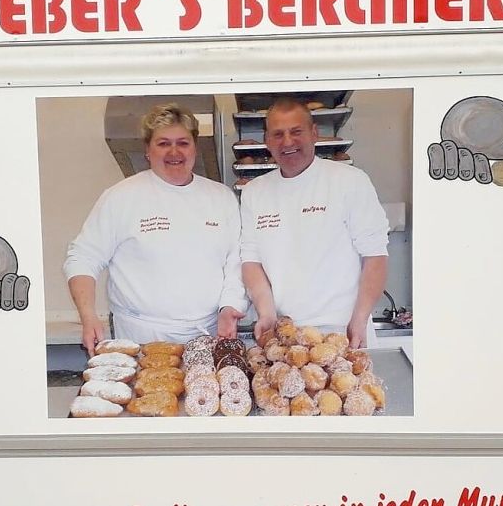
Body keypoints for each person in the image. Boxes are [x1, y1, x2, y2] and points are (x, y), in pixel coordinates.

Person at [64, 103, 247, 355]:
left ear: (195, 146)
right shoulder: (121, 197)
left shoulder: (221, 197)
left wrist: (230, 306)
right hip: (140, 336)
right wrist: (88, 315)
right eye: (163, 143)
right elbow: (82, 258)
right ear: (148, 150)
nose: (174, 151)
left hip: (208, 332)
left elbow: (235, 261)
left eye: (183, 142)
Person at [240, 97, 389, 349]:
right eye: (278, 134)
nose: (287, 142)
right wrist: (266, 314)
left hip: (343, 329)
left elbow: (375, 255)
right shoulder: (255, 192)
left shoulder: (349, 181)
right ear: (267, 140)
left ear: (314, 133)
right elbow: (251, 260)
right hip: (282, 333)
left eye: (296, 131)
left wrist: (360, 318)